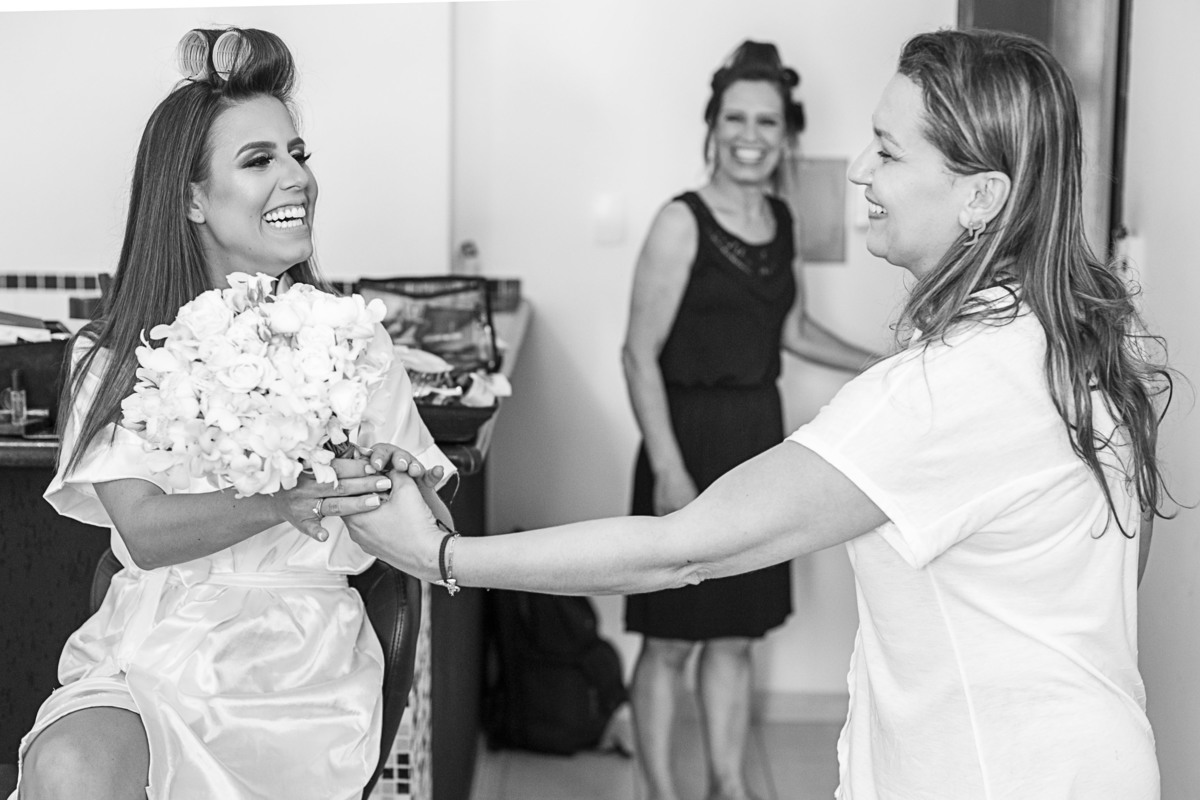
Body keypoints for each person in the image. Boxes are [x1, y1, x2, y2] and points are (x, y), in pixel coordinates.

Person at [347, 28, 1171, 799]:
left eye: (886, 150)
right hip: (1096, 756)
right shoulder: (1084, 340)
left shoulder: (942, 392)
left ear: (981, 195)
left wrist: (442, 553)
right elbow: (1112, 575)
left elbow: (675, 552)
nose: (857, 171)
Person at [9, 27, 454, 800]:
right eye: (259, 160)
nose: (297, 177)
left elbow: (434, 542)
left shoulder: (356, 339)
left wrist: (400, 484)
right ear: (189, 197)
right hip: (151, 649)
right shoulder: (109, 355)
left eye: (298, 154)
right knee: (68, 768)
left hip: (302, 669)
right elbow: (144, 532)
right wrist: (284, 500)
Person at [619, 40, 876, 800]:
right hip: (686, 441)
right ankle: (662, 791)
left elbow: (793, 331)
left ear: (787, 131)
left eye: (767, 120)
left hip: (758, 443)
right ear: (714, 124)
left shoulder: (782, 221)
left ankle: (728, 785)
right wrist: (667, 466)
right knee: (670, 642)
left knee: (732, 636)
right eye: (736, 117)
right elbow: (637, 355)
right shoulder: (680, 222)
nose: (751, 134)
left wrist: (884, 363)